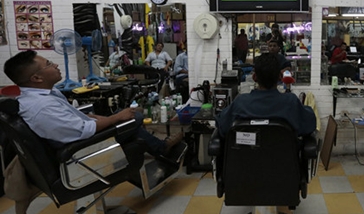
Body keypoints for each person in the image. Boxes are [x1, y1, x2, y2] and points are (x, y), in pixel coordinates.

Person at [3, 51, 183, 156]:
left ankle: (158, 148)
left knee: (126, 118)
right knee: (134, 117)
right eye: (49, 64)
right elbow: (83, 130)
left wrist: (102, 117)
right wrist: (115, 118)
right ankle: (160, 147)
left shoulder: (44, 95)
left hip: (78, 137)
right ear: (36, 77)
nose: (56, 65)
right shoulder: (41, 107)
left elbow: (73, 117)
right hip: (79, 150)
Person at [215, 53, 316, 138]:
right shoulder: (290, 102)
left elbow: (222, 126)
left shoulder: (241, 103)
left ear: (254, 77)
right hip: (283, 161)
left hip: (246, 160)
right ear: (281, 77)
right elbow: (310, 124)